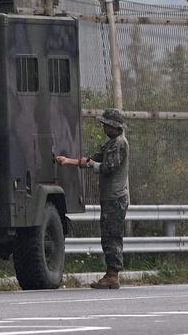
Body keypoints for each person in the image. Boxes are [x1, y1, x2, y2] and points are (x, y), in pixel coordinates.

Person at [56, 108, 129, 289]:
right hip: (111, 197)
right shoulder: (112, 143)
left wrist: (90, 164)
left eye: (106, 125)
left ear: (114, 126)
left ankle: (113, 274)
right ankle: (111, 273)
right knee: (108, 234)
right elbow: (93, 159)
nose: (104, 128)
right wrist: (70, 161)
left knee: (111, 235)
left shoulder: (118, 144)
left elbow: (108, 167)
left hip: (115, 197)